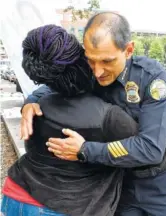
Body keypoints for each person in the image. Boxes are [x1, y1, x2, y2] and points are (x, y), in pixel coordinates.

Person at [20, 12, 166, 216]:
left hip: (161, 187)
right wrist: (31, 101)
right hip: (118, 185)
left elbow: (152, 149)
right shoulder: (91, 68)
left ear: (129, 50)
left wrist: (86, 150)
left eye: (107, 61)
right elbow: (59, 83)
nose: (97, 72)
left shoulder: (150, 77)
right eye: (91, 61)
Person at [1, 24, 140, 216]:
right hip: (72, 208)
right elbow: (148, 149)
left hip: (16, 196)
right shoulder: (111, 117)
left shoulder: (37, 106)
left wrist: (29, 101)